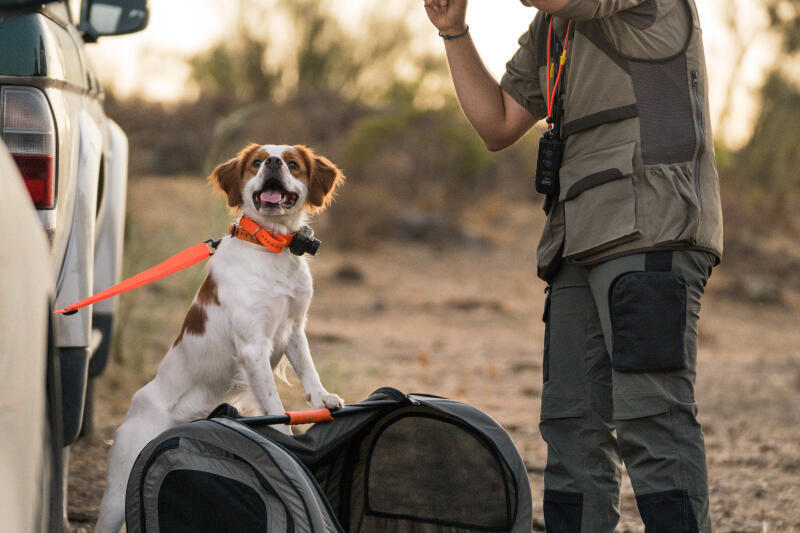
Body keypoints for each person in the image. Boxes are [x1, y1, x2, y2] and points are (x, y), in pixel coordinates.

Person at [423, 0, 722, 531]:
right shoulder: (552, 26)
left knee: (652, 419)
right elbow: (497, 123)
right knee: (571, 427)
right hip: (575, 239)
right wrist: (454, 31)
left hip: (649, 226)